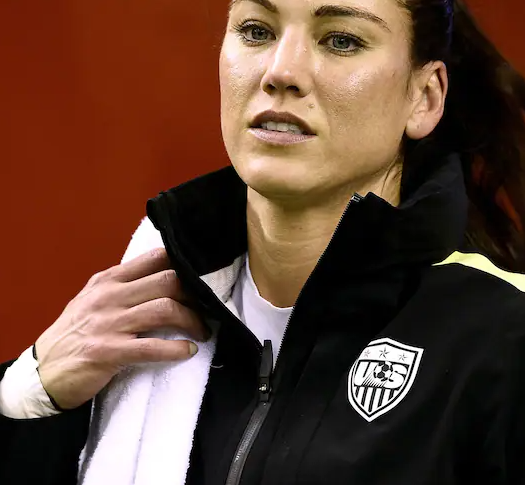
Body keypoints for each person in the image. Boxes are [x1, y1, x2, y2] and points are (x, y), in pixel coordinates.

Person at [1, 0, 525, 483]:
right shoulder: (128, 325)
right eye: (257, 31)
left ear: (425, 97)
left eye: (341, 40)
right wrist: (27, 398)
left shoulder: (502, 340)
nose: (281, 72)